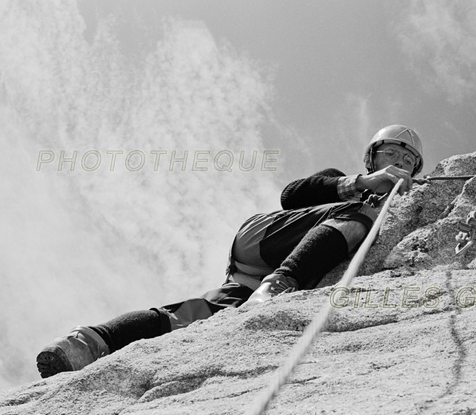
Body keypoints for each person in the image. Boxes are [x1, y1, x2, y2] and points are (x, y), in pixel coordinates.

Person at [36, 124, 424, 378]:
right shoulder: (344, 185)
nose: (400, 163)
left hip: (244, 281)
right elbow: (291, 195)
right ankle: (277, 290)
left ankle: (83, 343)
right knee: (362, 213)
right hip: (262, 241)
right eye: (393, 155)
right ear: (373, 156)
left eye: (408, 161)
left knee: (191, 316)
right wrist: (358, 184)